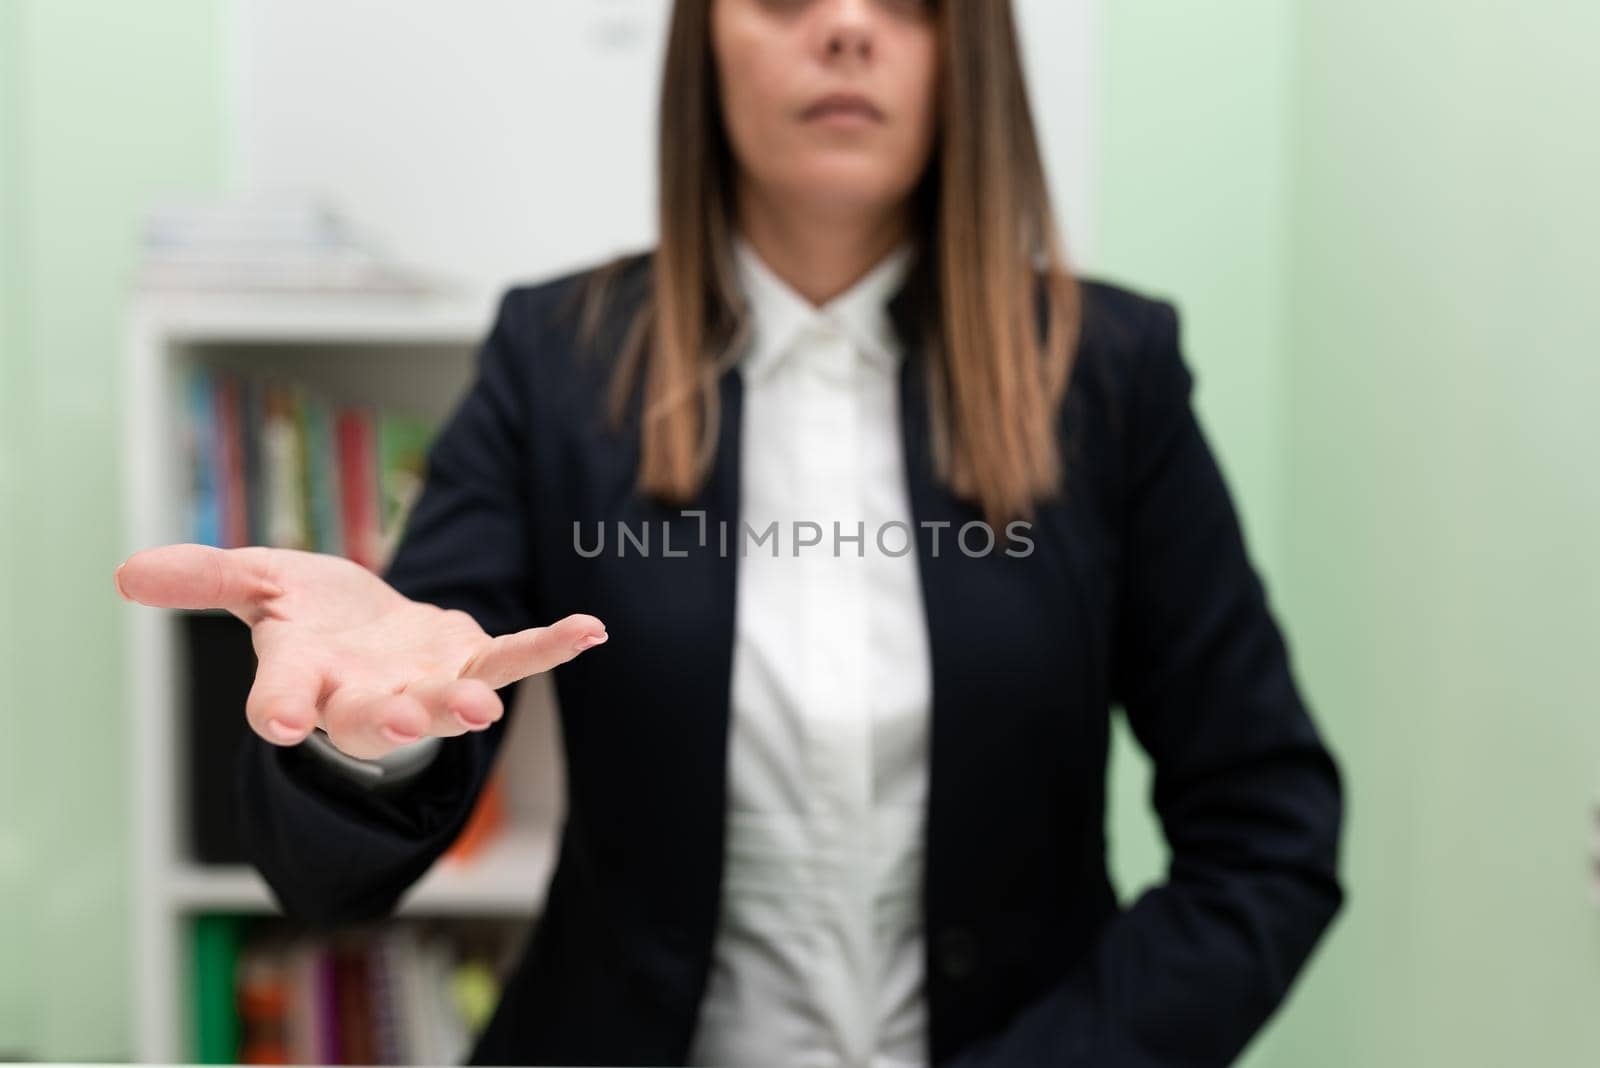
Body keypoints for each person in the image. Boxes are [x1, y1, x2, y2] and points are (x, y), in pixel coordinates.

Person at [113, 0, 1345, 1064]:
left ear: (968, 54)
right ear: (704, 45)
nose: (848, 27)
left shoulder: (1107, 372)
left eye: (911, 4)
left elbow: (1266, 836)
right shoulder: (558, 359)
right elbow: (332, 858)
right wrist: (368, 737)